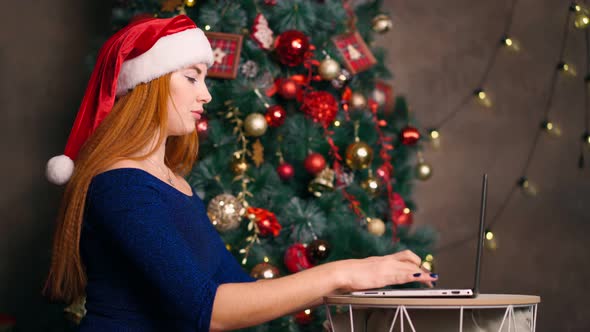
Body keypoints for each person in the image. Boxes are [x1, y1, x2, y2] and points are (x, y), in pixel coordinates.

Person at [43, 15, 438, 331]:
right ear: (148, 84)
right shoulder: (121, 185)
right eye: (192, 77)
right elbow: (208, 310)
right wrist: (343, 274)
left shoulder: (173, 183)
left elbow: (240, 292)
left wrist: (366, 278)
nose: (207, 95)